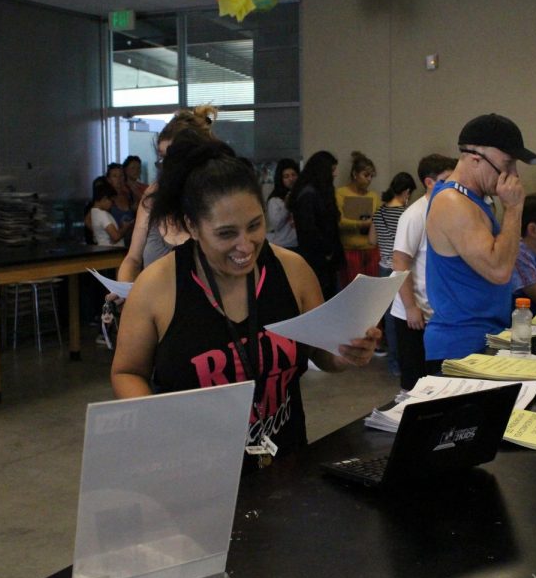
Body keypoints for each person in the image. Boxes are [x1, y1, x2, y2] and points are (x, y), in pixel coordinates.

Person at [111, 131, 380, 472]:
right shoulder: (157, 287)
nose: (246, 246)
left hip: (285, 464)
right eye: (226, 233)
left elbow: (321, 353)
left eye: (255, 226)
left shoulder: (292, 271)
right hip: (194, 469)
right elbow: (126, 371)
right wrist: (158, 422)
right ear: (191, 226)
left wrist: (347, 351)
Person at [424, 113, 536, 369]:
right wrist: (513, 209)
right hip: (461, 346)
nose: (513, 174)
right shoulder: (452, 202)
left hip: (482, 340)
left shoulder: (475, 201)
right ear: (476, 156)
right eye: (508, 163)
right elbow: (499, 270)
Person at [116, 106, 218, 285]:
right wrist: (124, 290)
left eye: (173, 158)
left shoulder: (216, 199)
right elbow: (132, 259)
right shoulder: (153, 196)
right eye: (162, 158)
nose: (166, 167)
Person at [390, 154, 457, 391]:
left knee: (438, 381)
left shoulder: (450, 209)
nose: (454, 184)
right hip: (414, 312)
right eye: (447, 179)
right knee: (414, 385)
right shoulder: (415, 215)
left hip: (440, 312)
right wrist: (410, 308)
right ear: (429, 182)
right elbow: (399, 262)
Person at [368, 171, 416, 376]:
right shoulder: (406, 213)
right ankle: (403, 362)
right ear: (406, 192)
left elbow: (371, 240)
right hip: (400, 268)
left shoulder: (379, 212)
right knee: (401, 316)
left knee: (388, 317)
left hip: (382, 267)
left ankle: (393, 363)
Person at [289, 151, 345, 301]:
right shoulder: (309, 195)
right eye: (332, 170)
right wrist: (327, 251)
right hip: (318, 260)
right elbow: (310, 230)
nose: (335, 174)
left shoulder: (312, 192)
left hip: (322, 259)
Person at [335, 151, 380, 286]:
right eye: (366, 175)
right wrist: (360, 224)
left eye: (371, 176)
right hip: (350, 250)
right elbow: (339, 221)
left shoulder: (373, 196)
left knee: (371, 290)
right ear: (355, 174)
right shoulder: (341, 193)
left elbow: (378, 219)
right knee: (352, 290)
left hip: (371, 250)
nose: (369, 179)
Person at [265, 158, 299, 250]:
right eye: (286, 176)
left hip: (300, 243)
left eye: (293, 175)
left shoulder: (301, 195)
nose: (291, 179)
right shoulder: (275, 200)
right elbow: (276, 224)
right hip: (283, 245)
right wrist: (287, 205)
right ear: (281, 179)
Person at [89, 180, 132, 246]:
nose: (112, 204)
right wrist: (125, 227)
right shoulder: (102, 214)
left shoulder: (94, 212)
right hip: (111, 252)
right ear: (104, 199)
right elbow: (115, 237)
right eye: (112, 201)